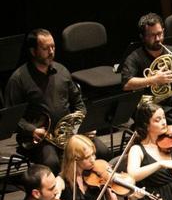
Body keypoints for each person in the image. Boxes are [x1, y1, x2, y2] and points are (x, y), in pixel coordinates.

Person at [4, 29, 110, 172]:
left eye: (53, 47)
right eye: (45, 48)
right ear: (33, 51)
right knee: (52, 162)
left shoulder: (62, 71)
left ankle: (90, 189)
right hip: (42, 139)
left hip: (69, 133)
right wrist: (31, 130)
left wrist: (83, 123)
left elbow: (78, 103)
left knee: (103, 151)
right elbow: (11, 118)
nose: (51, 51)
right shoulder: (18, 79)